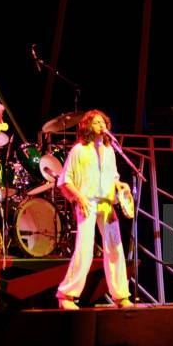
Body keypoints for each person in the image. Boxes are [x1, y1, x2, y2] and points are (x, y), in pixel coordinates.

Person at [55, 109, 133, 310]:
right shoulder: (79, 150)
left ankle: (121, 295)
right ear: (88, 126)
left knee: (115, 248)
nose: (101, 125)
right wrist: (79, 197)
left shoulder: (109, 151)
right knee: (85, 249)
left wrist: (120, 185)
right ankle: (66, 295)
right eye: (97, 122)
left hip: (106, 203)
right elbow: (65, 180)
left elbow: (113, 177)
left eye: (103, 122)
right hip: (87, 201)